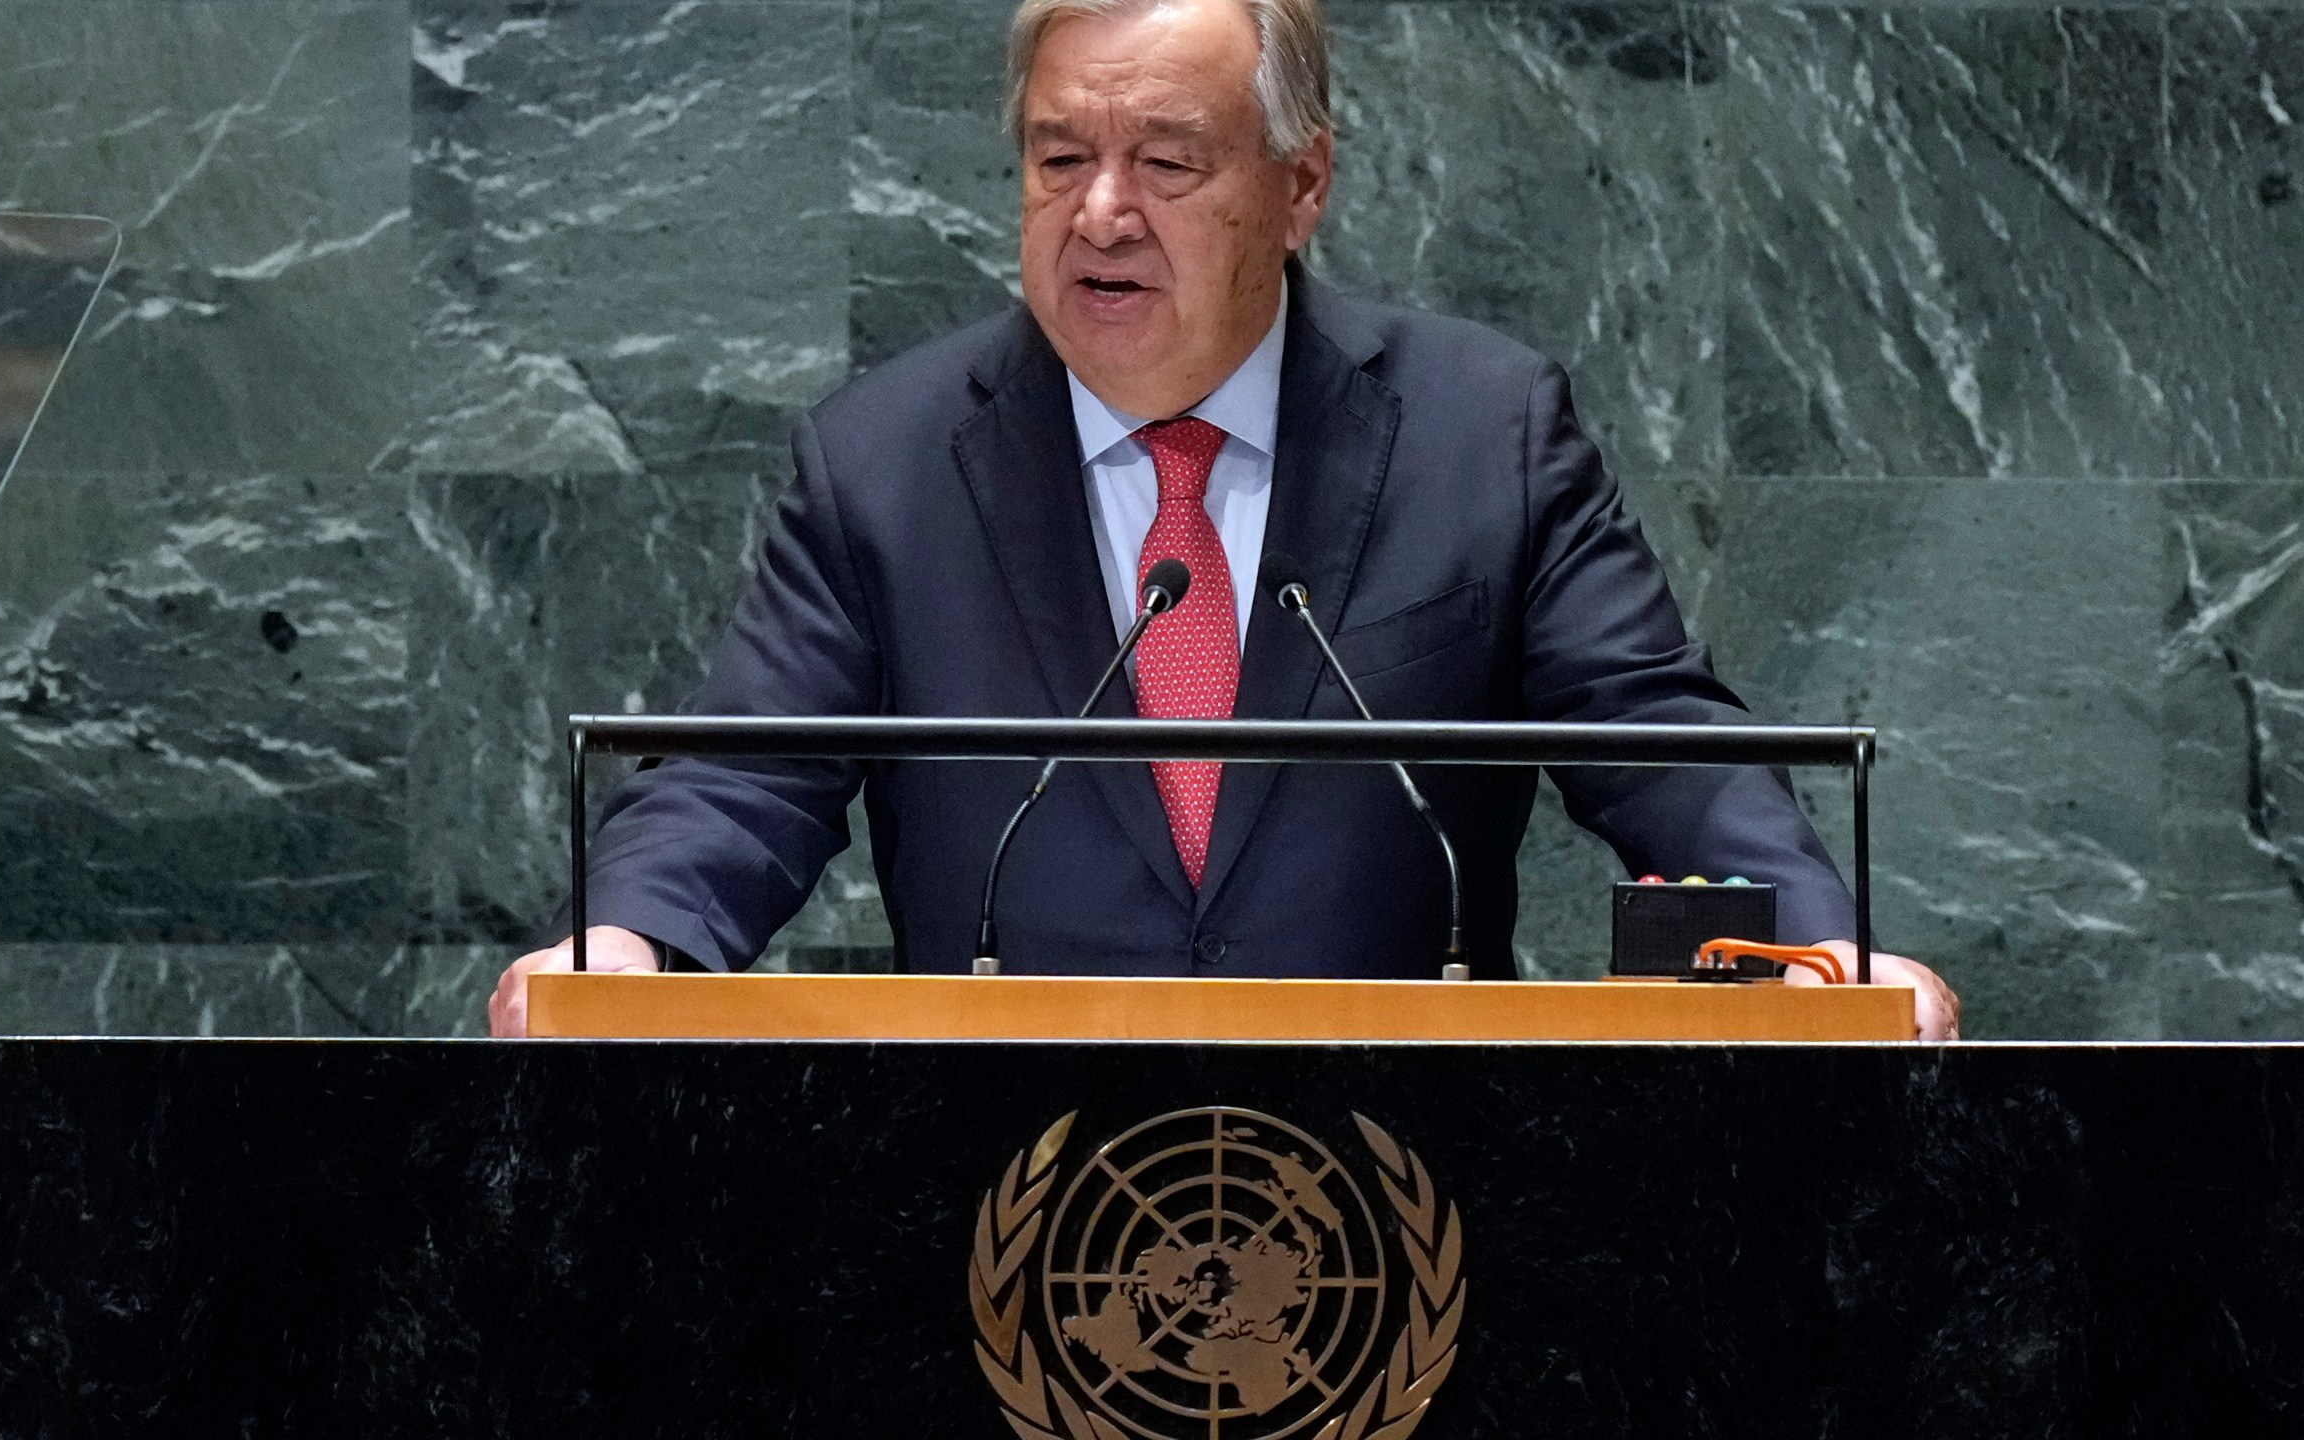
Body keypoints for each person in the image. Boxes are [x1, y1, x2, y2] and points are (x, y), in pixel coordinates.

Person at [490, 0, 1960, 1038]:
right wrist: (623, 947)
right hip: (994, 1197)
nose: (1102, 213)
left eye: (1169, 163)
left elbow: (1652, 741)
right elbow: (745, 778)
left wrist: (1821, 947)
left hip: (1408, 1188)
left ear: (1302, 183)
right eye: (1060, 159)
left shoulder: (1479, 433)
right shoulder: (888, 462)